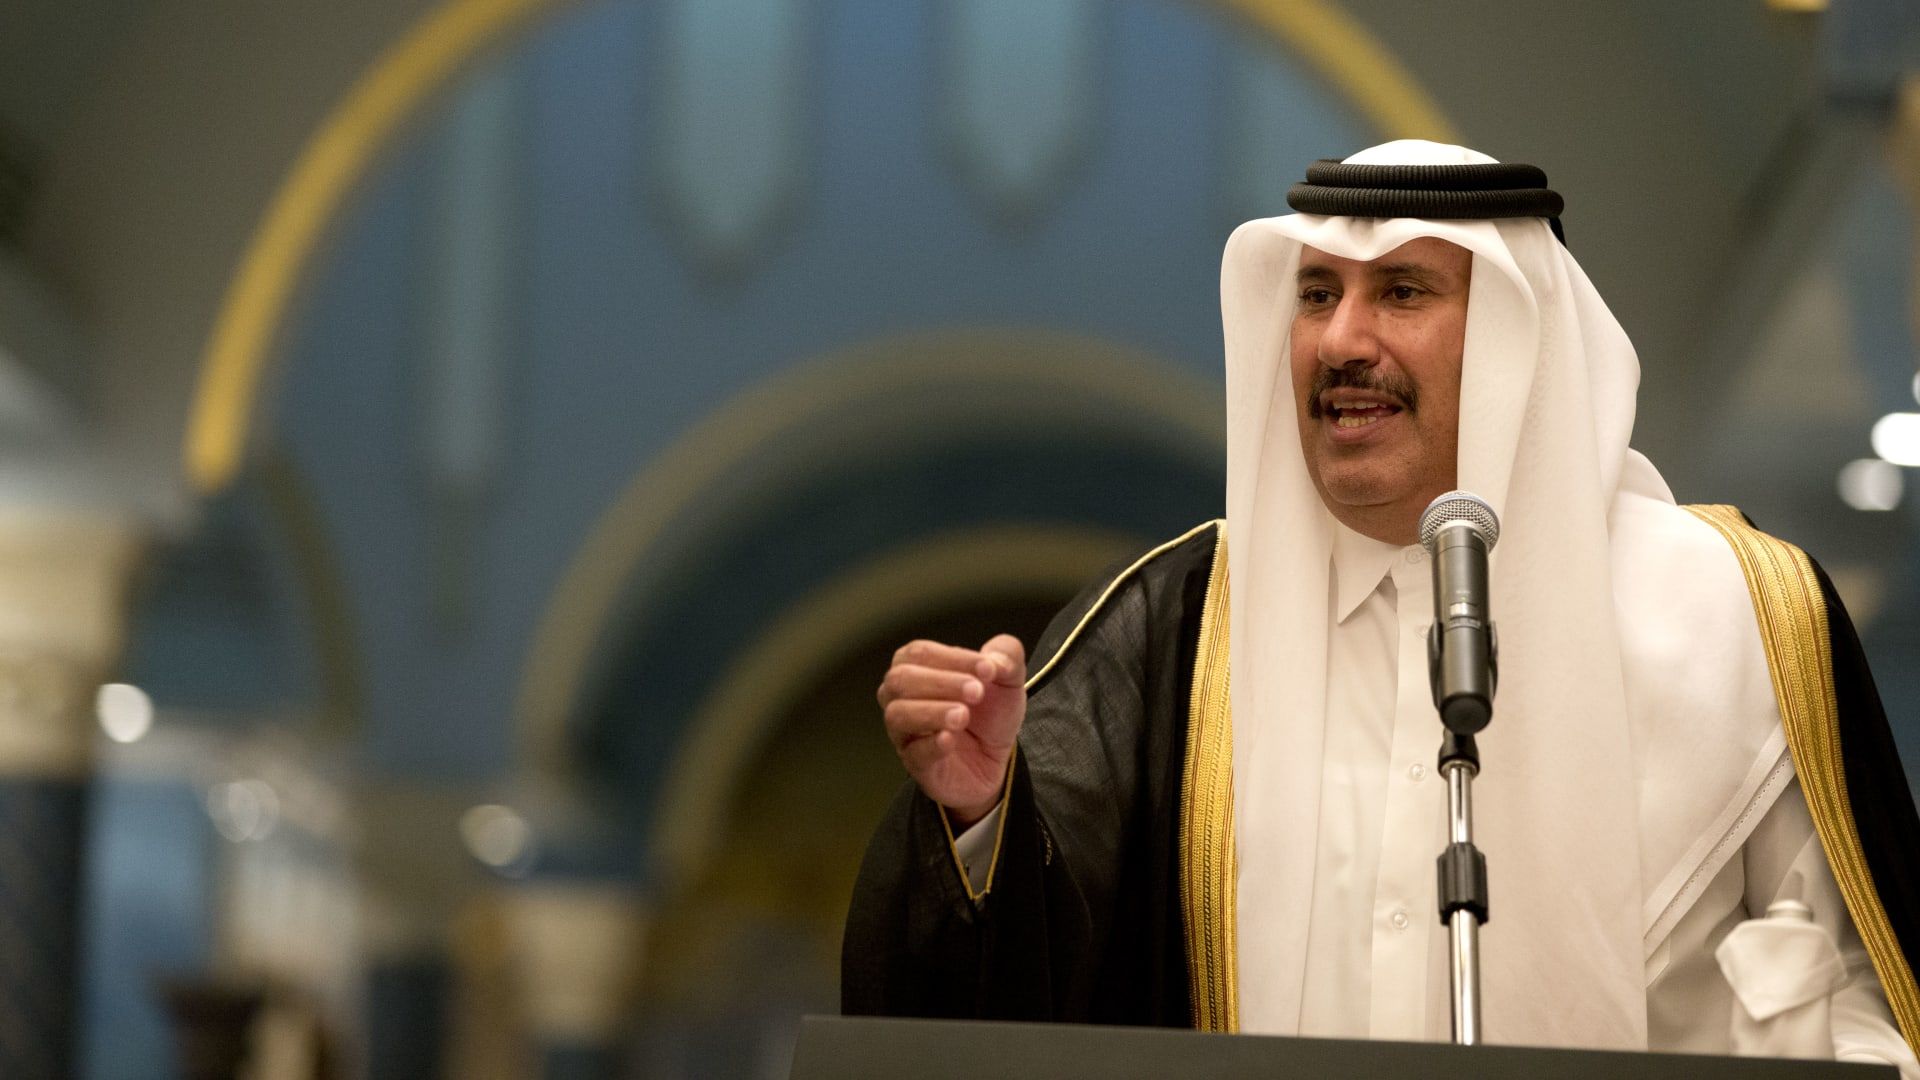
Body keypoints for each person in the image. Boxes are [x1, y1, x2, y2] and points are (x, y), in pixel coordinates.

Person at [841, 141, 1920, 1070]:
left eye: (1402, 292)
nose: (1340, 341)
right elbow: (1007, 995)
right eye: (1317, 295)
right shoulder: (1180, 627)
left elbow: (1868, 1007)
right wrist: (982, 816)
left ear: (1519, 336)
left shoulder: (1737, 617)